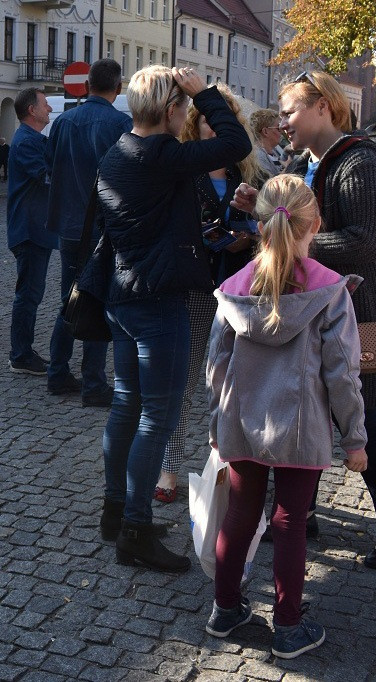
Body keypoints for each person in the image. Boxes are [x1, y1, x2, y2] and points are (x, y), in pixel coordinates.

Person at [232, 70, 376, 568]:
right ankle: (302, 512)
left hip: (354, 313)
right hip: (311, 310)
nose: (283, 120)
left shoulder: (359, 163)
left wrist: (282, 239)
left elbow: (365, 244)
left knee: (362, 418)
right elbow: (300, 222)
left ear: (323, 108)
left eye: (290, 110)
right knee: (305, 412)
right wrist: (265, 212)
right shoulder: (307, 163)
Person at [80, 65, 251, 572]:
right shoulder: (164, 155)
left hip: (122, 298)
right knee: (158, 415)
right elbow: (235, 143)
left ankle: (116, 512)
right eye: (184, 107)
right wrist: (210, 94)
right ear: (173, 110)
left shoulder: (117, 151)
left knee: (127, 407)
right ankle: (135, 529)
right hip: (158, 302)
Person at [205, 174, 368, 659]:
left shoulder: (233, 288)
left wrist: (217, 424)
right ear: (315, 225)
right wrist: (355, 438)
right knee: (290, 520)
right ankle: (288, 626)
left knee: (240, 513)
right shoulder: (330, 291)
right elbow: (343, 373)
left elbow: (215, 365)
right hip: (300, 425)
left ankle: (225, 608)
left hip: (240, 418)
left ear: (259, 225)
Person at [154, 84, 262, 503]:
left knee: (235, 384)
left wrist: (248, 236)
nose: (215, 131)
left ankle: (232, 470)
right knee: (181, 380)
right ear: (194, 127)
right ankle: (168, 469)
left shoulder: (248, 175)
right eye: (208, 121)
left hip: (238, 289)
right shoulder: (182, 170)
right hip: (194, 288)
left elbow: (270, 229)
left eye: (224, 124)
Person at [45, 57, 131, 403]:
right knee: (97, 301)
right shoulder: (121, 123)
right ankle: (94, 384)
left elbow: (50, 165)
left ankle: (57, 373)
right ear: (118, 88)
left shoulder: (63, 122)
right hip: (103, 227)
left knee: (70, 300)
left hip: (69, 225)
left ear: (86, 86)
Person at [6, 88, 56, 375]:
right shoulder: (26, 142)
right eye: (45, 105)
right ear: (32, 111)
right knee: (28, 295)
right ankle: (20, 355)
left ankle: (23, 350)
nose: (49, 109)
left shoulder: (31, 139)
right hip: (29, 230)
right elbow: (46, 176)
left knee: (31, 294)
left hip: (35, 228)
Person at [250, 108, 284, 177]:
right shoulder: (258, 156)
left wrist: (287, 153)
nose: (282, 131)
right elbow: (268, 184)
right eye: (278, 128)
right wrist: (289, 169)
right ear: (265, 131)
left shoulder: (272, 152)